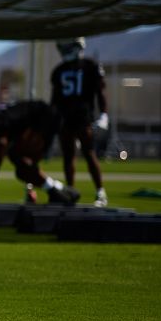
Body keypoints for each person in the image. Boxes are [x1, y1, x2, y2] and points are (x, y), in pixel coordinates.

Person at [50, 37, 109, 207]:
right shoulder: (59, 70)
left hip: (83, 117)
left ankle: (100, 192)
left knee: (89, 154)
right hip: (65, 118)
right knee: (68, 157)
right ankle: (71, 193)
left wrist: (104, 114)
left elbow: (100, 92)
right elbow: (54, 99)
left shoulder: (90, 66)